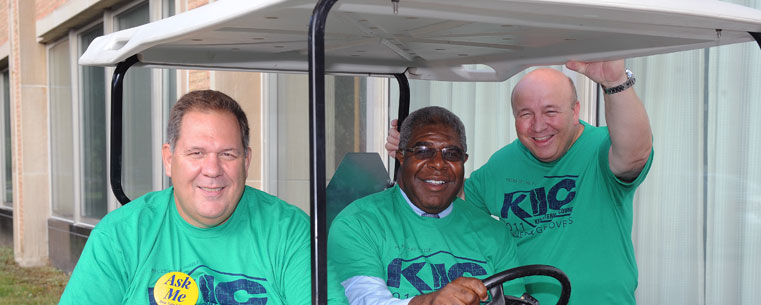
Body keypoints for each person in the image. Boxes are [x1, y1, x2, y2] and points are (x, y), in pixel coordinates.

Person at [386, 60, 653, 305]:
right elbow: (454, 204)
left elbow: (634, 154)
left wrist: (616, 83)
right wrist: (419, 155)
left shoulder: (601, 149)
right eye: (525, 114)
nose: (538, 126)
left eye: (550, 111)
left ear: (575, 112)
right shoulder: (503, 165)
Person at [59, 90, 318, 305]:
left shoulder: (290, 231)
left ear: (246, 161)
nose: (212, 170)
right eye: (196, 153)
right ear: (169, 159)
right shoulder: (121, 236)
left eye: (228, 154)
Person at [330, 106, 530, 305]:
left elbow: (513, 300)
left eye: (451, 153)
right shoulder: (358, 223)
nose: (438, 164)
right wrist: (430, 302)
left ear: (464, 161)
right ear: (401, 156)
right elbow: (366, 301)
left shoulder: (494, 233)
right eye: (423, 151)